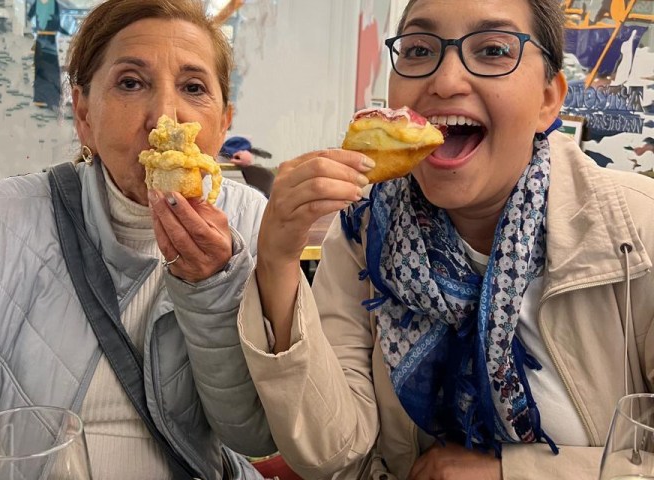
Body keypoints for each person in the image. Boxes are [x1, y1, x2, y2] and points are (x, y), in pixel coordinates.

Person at [237, 0, 654, 479]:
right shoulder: (362, 230)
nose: (446, 80)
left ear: (548, 100)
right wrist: (276, 263)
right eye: (418, 49)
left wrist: (508, 474)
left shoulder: (637, 233)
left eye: (493, 49)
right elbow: (333, 451)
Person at [0, 1, 276, 479]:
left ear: (223, 124)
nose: (165, 118)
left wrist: (213, 287)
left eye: (194, 88)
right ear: (83, 113)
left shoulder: (252, 222)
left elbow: (254, 434)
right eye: (131, 83)